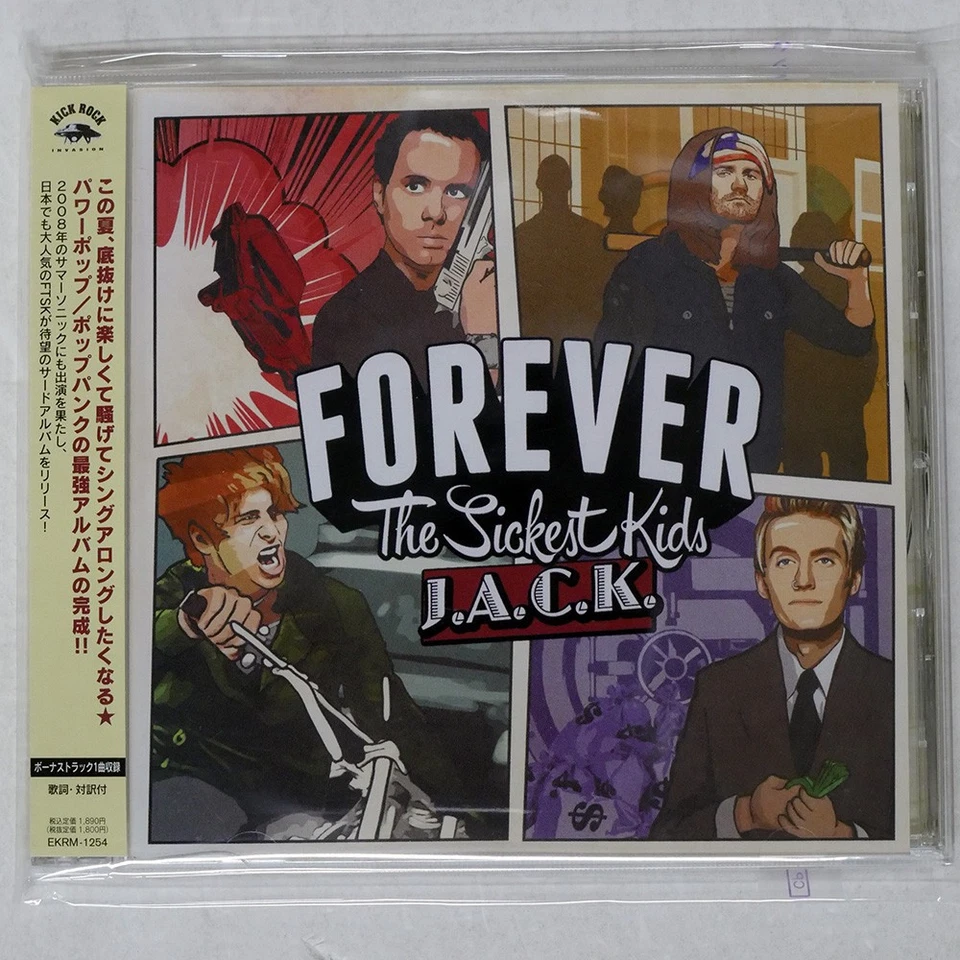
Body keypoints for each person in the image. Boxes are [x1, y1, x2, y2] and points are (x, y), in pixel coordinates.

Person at [151, 445, 458, 841]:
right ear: (202, 538)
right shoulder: (168, 602)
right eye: (248, 519)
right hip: (187, 800)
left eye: (274, 513)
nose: (271, 531)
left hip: (295, 812)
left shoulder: (335, 605)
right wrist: (186, 624)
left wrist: (460, 809)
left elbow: (392, 716)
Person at [594, 128, 876, 475]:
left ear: (764, 191)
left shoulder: (772, 278)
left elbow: (853, 339)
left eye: (751, 174)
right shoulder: (648, 267)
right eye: (725, 171)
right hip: (670, 472)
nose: (740, 185)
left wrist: (856, 281)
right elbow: (609, 371)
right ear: (695, 186)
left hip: (755, 474)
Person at [649, 497, 894, 841]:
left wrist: (841, 834)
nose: (803, 580)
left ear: (854, 578)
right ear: (762, 582)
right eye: (784, 561)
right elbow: (667, 835)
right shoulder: (719, 689)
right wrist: (745, 813)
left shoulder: (891, 689)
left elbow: (922, 829)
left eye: (824, 560)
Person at [310, 111, 497, 385]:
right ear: (379, 195)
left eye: (456, 192)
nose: (435, 212)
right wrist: (484, 339)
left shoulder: (493, 298)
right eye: (416, 186)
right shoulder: (343, 320)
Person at [514, 154, 611, 341]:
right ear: (570, 183)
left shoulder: (523, 235)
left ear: (538, 184)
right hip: (581, 336)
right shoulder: (592, 233)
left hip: (538, 336)